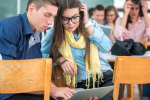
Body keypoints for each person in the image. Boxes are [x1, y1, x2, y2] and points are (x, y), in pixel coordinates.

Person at [41, 0, 122, 100]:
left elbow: (106, 47)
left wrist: (87, 23)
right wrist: (61, 60)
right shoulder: (55, 32)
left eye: (75, 17)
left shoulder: (90, 25)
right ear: (59, 18)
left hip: (105, 78)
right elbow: (43, 55)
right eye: (65, 19)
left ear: (81, 14)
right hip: (82, 85)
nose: (70, 23)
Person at [0, 0, 77, 100]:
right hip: (7, 93)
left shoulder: (37, 32)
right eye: (47, 15)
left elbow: (37, 75)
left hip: (24, 90)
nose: (50, 22)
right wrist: (52, 90)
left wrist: (61, 91)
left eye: (53, 17)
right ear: (31, 9)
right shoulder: (8, 28)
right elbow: (6, 78)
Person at [114, 0, 150, 99]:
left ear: (140, 9)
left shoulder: (144, 20)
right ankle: (116, 96)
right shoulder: (120, 19)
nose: (134, 11)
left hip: (141, 62)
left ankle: (146, 96)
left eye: (136, 8)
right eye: (131, 8)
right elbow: (117, 35)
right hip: (126, 61)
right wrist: (126, 13)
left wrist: (145, 12)